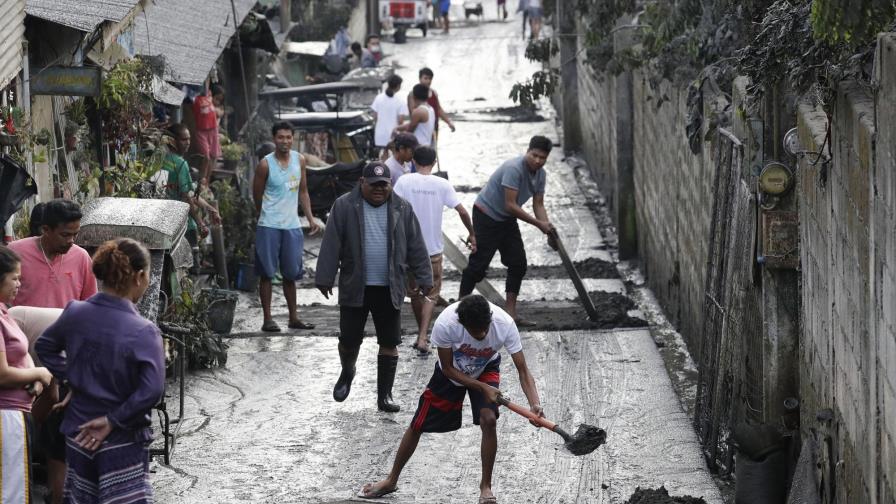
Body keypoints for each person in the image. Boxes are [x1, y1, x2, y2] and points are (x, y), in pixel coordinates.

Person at [357, 294, 544, 502]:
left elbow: (523, 371)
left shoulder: (504, 324)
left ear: (490, 319)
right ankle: (391, 480)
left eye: (485, 329)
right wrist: (482, 387)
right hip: (453, 372)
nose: (482, 334)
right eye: (475, 332)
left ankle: (486, 486)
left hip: (486, 367)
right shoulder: (446, 323)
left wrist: (534, 404)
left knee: (489, 420)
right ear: (463, 324)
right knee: (418, 424)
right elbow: (447, 369)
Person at [36, 238, 165, 504]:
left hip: (78, 433)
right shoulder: (144, 330)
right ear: (140, 276)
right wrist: (113, 420)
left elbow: (45, 346)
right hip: (122, 440)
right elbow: (152, 390)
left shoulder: (75, 312)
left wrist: (72, 378)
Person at [315, 162, 432, 412]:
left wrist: (424, 278)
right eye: (374, 185)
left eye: (384, 185)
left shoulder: (402, 207)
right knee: (348, 339)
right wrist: (324, 277)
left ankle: (385, 395)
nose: (379, 189)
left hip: (390, 286)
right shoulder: (345, 206)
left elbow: (416, 245)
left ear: (390, 184)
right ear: (362, 183)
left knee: (390, 341)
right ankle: (347, 371)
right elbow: (331, 242)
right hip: (355, 285)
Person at [8, 198, 98, 504]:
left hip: (62, 351)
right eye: (65, 235)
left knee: (59, 405)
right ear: (45, 229)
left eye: (75, 235)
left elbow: (88, 307)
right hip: (17, 347)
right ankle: (27, 449)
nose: (71, 242)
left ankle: (43, 459)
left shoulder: (81, 258)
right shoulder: (16, 253)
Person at [459, 136, 556, 327]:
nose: (537, 160)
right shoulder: (514, 168)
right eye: (534, 155)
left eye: (542, 158)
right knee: (478, 266)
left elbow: (539, 204)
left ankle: (511, 313)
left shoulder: (540, 175)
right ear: (527, 151)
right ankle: (459, 311)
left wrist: (548, 228)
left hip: (507, 219)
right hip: (486, 214)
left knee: (518, 264)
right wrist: (538, 224)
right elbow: (510, 205)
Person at [393, 146, 476, 356]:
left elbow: (391, 209)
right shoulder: (442, 184)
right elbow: (463, 211)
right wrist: (472, 233)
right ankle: (423, 336)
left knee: (414, 294)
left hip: (409, 250)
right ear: (434, 162)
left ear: (413, 160)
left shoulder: (404, 182)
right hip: (433, 250)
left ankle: (420, 335)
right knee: (431, 294)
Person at [253, 122, 321, 333]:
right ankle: (268, 319)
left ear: (293, 138)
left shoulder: (299, 160)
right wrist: (264, 214)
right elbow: (256, 194)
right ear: (274, 139)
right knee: (267, 273)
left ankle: (293, 317)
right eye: (281, 137)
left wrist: (310, 218)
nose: (285, 141)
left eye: (288, 137)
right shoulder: (265, 165)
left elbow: (303, 191)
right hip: (269, 225)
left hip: (292, 225)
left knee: (291, 273)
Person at [0, 246, 53, 504]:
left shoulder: (5, 312)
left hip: (18, 413)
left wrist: (35, 378)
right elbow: (2, 375)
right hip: (6, 417)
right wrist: (40, 372)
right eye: (15, 278)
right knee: (11, 492)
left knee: (18, 488)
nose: (19, 284)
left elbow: (20, 352)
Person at [155, 123, 221, 247]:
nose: (188, 143)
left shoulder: (159, 159)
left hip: (163, 221)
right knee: (191, 263)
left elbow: (189, 192)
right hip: (182, 223)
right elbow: (186, 196)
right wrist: (200, 223)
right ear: (172, 141)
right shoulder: (180, 164)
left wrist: (210, 209)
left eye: (189, 139)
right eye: (183, 139)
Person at [408, 68, 457, 145]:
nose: (428, 81)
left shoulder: (433, 93)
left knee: (432, 152)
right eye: (425, 78)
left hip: (433, 128)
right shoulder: (413, 94)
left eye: (430, 79)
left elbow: (439, 109)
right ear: (420, 78)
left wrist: (449, 122)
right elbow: (412, 112)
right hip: (420, 129)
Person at [371, 75, 409, 157]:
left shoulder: (378, 98)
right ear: (398, 86)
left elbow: (375, 117)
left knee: (382, 158)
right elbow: (401, 121)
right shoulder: (400, 101)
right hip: (392, 137)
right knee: (392, 159)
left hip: (379, 136)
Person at [192, 82, 222, 185]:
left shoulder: (209, 95)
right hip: (201, 131)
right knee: (206, 156)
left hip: (213, 130)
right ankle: (202, 181)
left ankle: (207, 182)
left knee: (214, 156)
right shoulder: (194, 99)